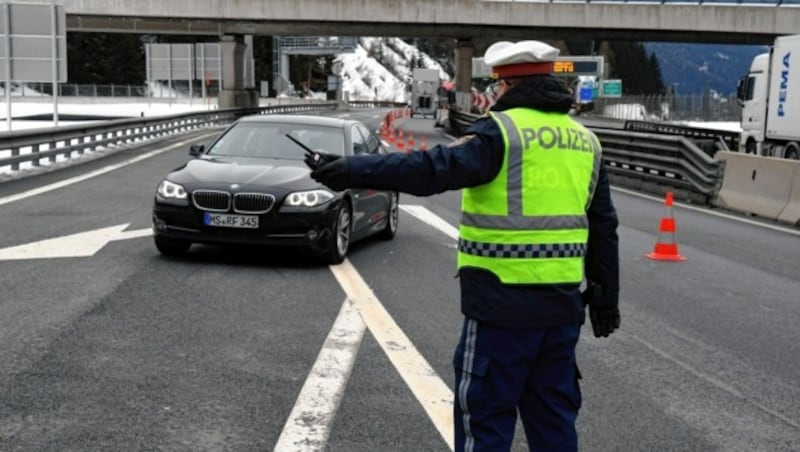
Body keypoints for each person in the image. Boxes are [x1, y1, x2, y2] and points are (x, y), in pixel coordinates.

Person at [307, 40, 620, 452]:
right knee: (554, 425)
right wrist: (604, 299)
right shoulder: (585, 142)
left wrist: (351, 169)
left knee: (484, 423)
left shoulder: (500, 133)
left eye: (495, 86)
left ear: (505, 86)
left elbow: (431, 169)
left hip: (499, 308)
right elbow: (603, 227)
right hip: (560, 313)